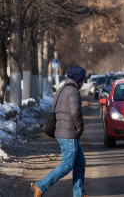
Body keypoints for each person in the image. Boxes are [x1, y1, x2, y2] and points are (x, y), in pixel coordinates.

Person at [32, 66, 87, 197]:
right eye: (83, 79)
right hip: (68, 133)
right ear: (79, 79)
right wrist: (80, 126)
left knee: (80, 162)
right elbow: (75, 112)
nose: (84, 82)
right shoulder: (73, 91)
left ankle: (79, 193)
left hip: (63, 132)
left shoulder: (62, 89)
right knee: (67, 165)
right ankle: (40, 186)